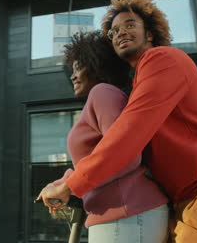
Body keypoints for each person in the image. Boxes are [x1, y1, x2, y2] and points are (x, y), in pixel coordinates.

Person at [37, 0, 197, 243]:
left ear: (150, 33)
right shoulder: (138, 84)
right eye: (114, 32)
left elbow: (127, 138)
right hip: (191, 200)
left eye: (130, 25)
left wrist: (72, 185)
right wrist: (70, 180)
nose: (121, 32)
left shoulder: (162, 60)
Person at [37, 30, 169, 243]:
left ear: (97, 65)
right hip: (121, 213)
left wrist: (69, 185)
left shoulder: (103, 93)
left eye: (78, 67)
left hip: (128, 210)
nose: (72, 75)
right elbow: (95, 160)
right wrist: (63, 183)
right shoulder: (103, 98)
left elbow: (123, 155)